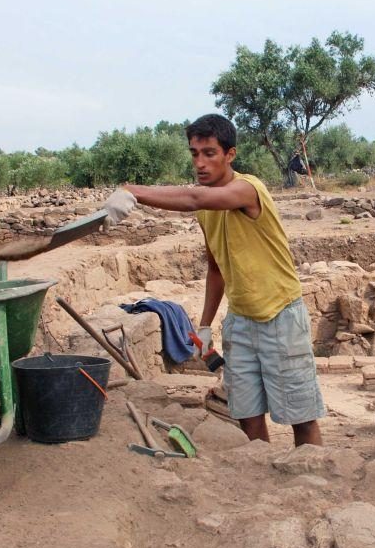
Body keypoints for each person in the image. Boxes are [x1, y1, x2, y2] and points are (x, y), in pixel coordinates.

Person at [102, 114, 325, 446]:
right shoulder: (206, 210)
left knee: (300, 418)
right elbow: (217, 269)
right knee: (248, 417)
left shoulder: (249, 189)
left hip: (280, 316)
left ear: (230, 155)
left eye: (209, 153)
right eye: (194, 154)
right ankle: (265, 483)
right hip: (241, 321)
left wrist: (131, 192)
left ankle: (315, 483)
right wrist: (205, 326)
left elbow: (194, 197)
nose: (200, 163)